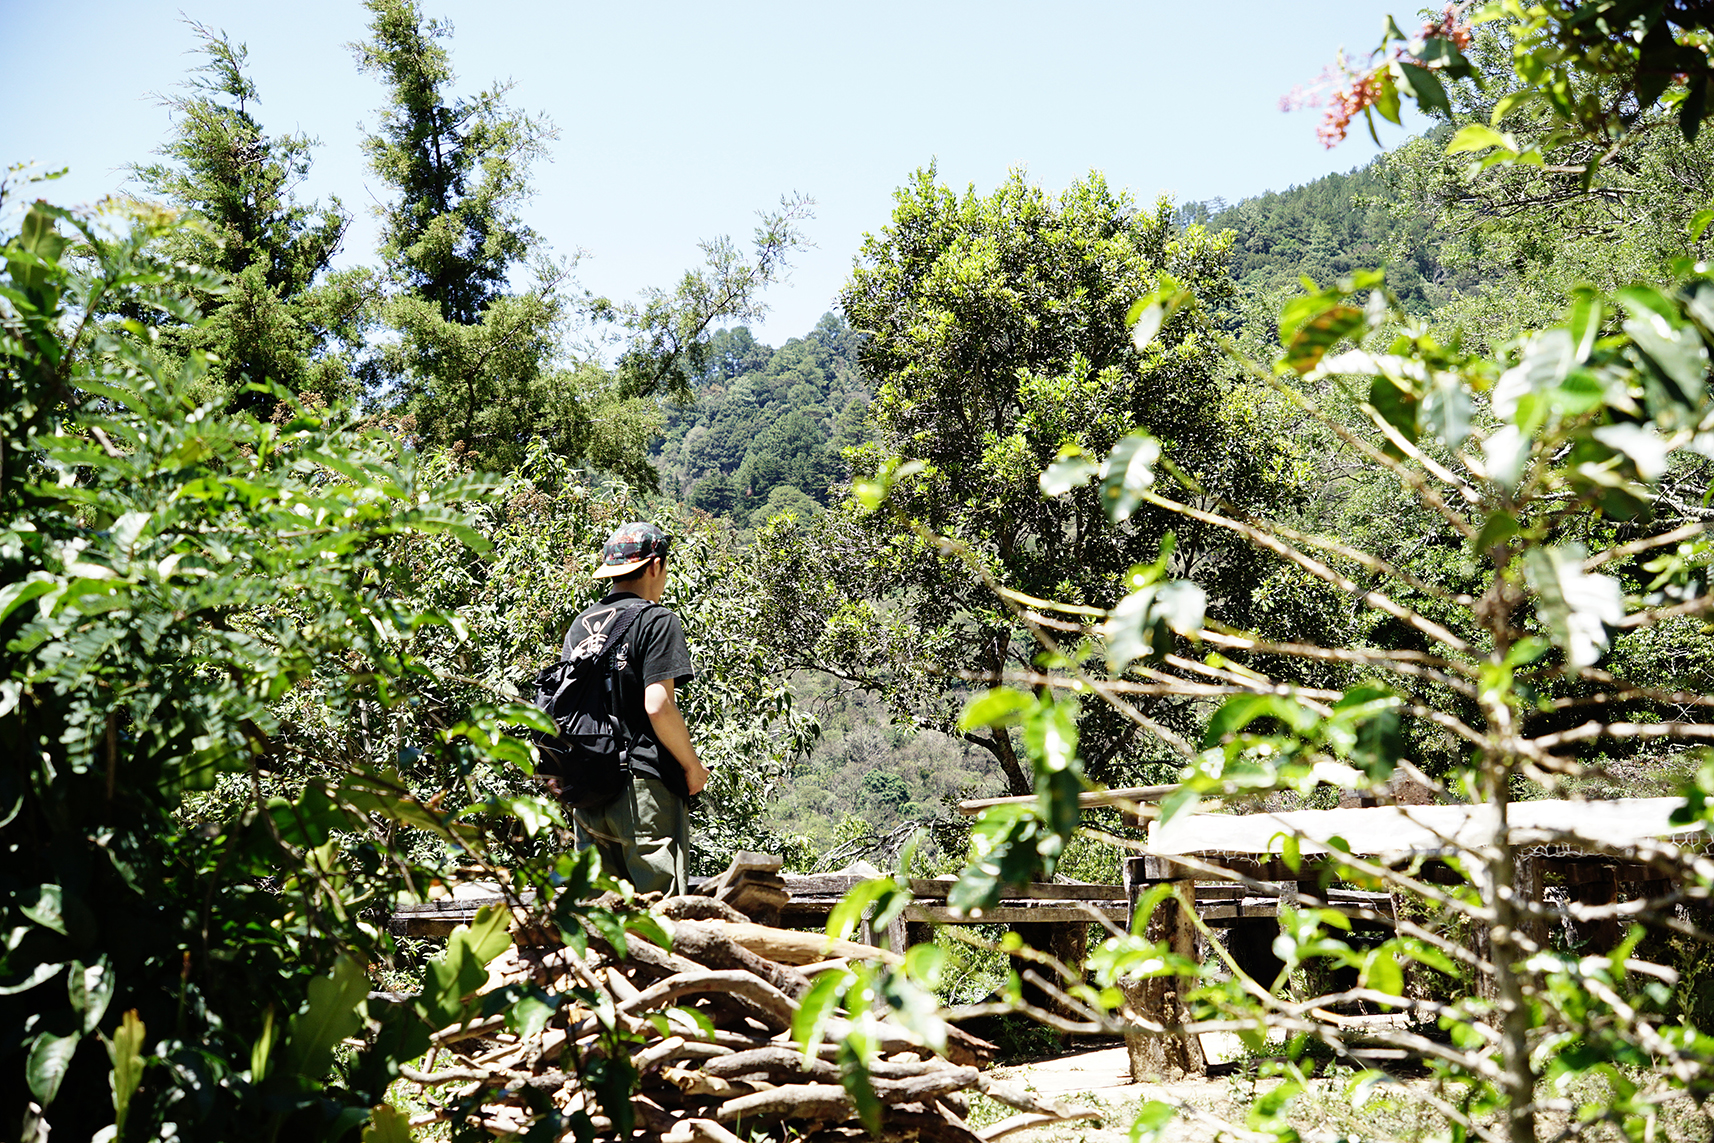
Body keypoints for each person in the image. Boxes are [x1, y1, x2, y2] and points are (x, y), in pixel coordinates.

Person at [561, 522, 709, 896]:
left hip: (588, 791)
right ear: (655, 565)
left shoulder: (579, 627)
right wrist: (692, 766)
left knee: (601, 919)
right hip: (641, 787)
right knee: (660, 914)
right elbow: (658, 706)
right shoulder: (655, 620)